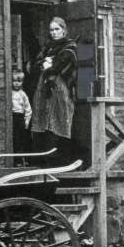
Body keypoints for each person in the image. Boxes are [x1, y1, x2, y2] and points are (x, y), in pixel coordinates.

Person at [29, 17, 77, 167]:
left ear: (63, 30)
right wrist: (45, 63)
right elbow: (33, 66)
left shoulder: (70, 47)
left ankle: (58, 163)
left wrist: (51, 64)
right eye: (51, 30)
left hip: (60, 91)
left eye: (57, 29)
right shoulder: (47, 48)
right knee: (42, 124)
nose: (54, 32)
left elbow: (63, 65)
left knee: (58, 123)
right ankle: (43, 163)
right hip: (43, 90)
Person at [11, 70, 33, 164]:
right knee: (13, 139)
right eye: (14, 80)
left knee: (20, 140)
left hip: (20, 118)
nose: (16, 83)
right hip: (12, 117)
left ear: (22, 82)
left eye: (19, 81)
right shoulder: (10, 93)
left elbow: (28, 109)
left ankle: (20, 160)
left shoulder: (22, 94)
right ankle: (14, 160)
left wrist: (27, 121)